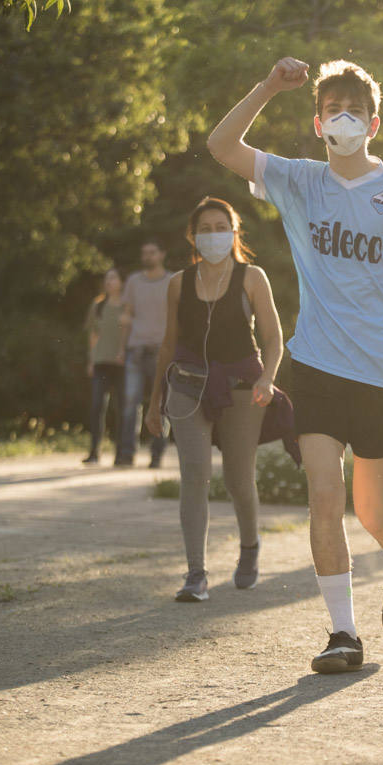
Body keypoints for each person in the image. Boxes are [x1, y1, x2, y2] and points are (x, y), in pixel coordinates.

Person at [208, 57, 383, 674]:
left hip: (381, 374)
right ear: (318, 123)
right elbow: (221, 145)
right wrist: (266, 85)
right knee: (324, 495)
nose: (345, 117)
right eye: (333, 109)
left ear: (375, 122)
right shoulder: (299, 180)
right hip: (315, 365)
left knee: (373, 512)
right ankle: (342, 632)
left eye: (356, 109)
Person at [145, 197, 292, 602]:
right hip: (187, 386)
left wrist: (267, 378)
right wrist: (154, 399)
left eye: (220, 227)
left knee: (238, 480)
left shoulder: (252, 277)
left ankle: (249, 548)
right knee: (194, 477)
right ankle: (196, 574)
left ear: (234, 231)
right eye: (205, 229)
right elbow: (168, 345)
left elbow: (274, 338)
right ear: (193, 236)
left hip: (242, 389)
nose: (213, 235)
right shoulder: (178, 283)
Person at [116, 238, 173, 468]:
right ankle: (126, 454)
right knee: (130, 403)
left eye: (152, 252)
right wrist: (121, 348)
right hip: (135, 349)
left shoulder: (172, 281)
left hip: (162, 350)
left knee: (161, 404)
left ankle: (156, 455)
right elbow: (126, 317)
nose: (147, 257)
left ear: (162, 254)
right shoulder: (133, 281)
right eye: (144, 253)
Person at [83, 268, 126, 464]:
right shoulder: (98, 306)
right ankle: (94, 451)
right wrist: (91, 360)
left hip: (121, 364)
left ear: (121, 282)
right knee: (97, 406)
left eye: (113, 278)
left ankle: (121, 452)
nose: (109, 282)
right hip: (100, 362)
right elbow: (93, 335)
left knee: (121, 408)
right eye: (107, 278)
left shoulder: (128, 306)